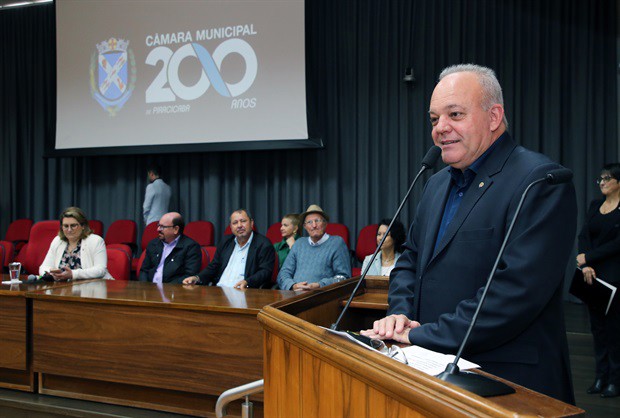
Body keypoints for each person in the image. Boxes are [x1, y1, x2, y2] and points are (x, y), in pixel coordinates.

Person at [361, 64, 577, 403]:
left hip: (507, 380)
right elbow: (410, 260)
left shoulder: (539, 181)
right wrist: (399, 315)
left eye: (455, 114)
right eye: (434, 119)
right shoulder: (435, 184)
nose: (440, 128)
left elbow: (516, 291)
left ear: (494, 117)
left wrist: (424, 335)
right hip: (430, 369)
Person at [576, 163, 620, 398]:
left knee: (614, 330)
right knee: (598, 329)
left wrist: (588, 257)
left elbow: (617, 244)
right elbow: (584, 235)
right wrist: (585, 264)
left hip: (615, 277)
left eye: (607, 178)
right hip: (592, 276)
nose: (602, 182)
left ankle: (615, 380)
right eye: (600, 179)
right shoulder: (595, 205)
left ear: (619, 182)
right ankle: (600, 377)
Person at [183, 209, 275, 289]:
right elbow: (214, 266)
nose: (239, 225)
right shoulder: (226, 242)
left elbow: (265, 272)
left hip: (244, 292)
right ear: (231, 227)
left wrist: (247, 282)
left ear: (251, 223)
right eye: (235, 223)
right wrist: (197, 278)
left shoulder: (263, 244)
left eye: (243, 221)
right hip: (219, 291)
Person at [277, 204, 351, 291]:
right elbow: (283, 273)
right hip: (294, 295)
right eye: (309, 222)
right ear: (305, 227)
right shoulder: (299, 244)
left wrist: (320, 285)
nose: (314, 225)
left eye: (317, 221)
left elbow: (343, 277)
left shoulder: (336, 243)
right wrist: (293, 286)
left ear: (325, 224)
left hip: (321, 294)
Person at [40, 207, 112, 280]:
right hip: (64, 286)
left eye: (73, 225)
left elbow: (100, 270)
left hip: (94, 285)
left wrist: (73, 274)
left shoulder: (96, 241)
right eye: (66, 226)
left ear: (83, 226)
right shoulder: (57, 241)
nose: (69, 230)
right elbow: (44, 267)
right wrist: (50, 273)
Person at [138, 212, 202, 284]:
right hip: (150, 288)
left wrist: (167, 288)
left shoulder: (191, 247)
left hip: (174, 289)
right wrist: (145, 287)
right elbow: (144, 271)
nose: (158, 229)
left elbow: (189, 276)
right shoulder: (153, 244)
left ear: (176, 229)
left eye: (162, 227)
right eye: (158, 225)